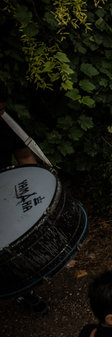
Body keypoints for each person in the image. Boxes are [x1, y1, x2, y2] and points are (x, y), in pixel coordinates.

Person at [0, 80, 48, 315]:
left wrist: (33, 188)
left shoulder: (6, 123)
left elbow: (26, 158)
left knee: (14, 243)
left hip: (5, 192)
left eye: (1, 108)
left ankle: (24, 290)